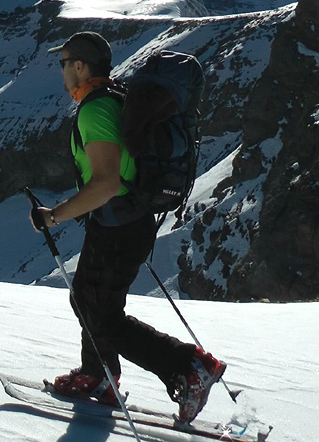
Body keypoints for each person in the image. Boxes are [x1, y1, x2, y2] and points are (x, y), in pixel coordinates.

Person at [30, 31, 226, 422]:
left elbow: (106, 182)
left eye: (64, 63)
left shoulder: (96, 109)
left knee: (101, 314)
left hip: (121, 223)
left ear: (80, 66)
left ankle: (189, 367)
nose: (62, 71)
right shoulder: (113, 98)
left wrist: (55, 216)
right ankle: (97, 375)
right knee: (88, 300)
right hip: (122, 221)